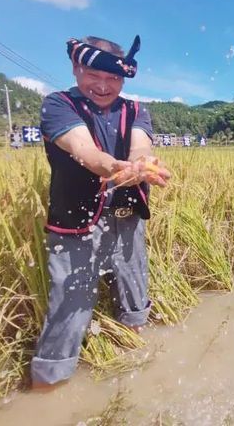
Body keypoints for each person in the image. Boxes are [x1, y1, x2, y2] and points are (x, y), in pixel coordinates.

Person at [31, 35, 170, 389]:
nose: (104, 86)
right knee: (70, 303)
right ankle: (51, 383)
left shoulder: (137, 111)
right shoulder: (58, 105)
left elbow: (140, 145)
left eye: (114, 79)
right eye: (94, 75)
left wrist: (142, 166)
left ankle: (136, 372)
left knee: (134, 290)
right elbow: (83, 150)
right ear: (76, 68)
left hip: (127, 217)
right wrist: (115, 168)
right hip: (75, 222)